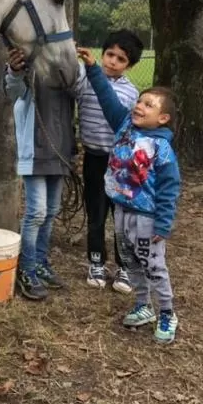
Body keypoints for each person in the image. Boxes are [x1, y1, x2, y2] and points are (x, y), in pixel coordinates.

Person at [78, 46, 182, 343]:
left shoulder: (162, 149)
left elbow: (169, 189)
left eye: (149, 105)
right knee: (132, 262)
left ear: (162, 118)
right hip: (122, 211)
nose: (139, 106)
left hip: (146, 218)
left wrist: (163, 223)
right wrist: (93, 68)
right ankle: (142, 305)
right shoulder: (124, 125)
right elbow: (106, 97)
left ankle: (167, 312)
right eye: (139, 101)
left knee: (153, 265)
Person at [3, 47, 77, 300]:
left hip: (60, 153)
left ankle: (40, 262)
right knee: (36, 212)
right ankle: (27, 268)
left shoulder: (67, 74)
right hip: (34, 154)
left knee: (51, 210)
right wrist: (14, 70)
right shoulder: (31, 71)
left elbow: (82, 92)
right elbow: (13, 90)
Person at [76, 30, 143, 293]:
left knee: (122, 218)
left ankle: (125, 266)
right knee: (96, 214)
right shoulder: (84, 81)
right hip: (93, 159)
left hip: (121, 165)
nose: (113, 61)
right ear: (102, 54)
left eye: (121, 59)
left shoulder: (131, 93)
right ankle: (96, 262)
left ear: (130, 65)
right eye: (110, 54)